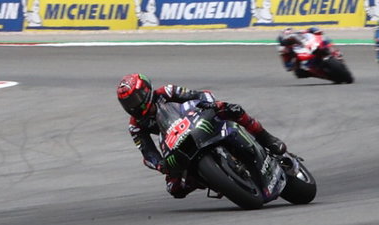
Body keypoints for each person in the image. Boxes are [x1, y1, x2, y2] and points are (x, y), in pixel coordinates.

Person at [116, 73, 287, 199]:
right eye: (127, 103)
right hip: (172, 139)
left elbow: (197, 95)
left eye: (135, 98)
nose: (133, 105)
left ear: (146, 91)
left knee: (231, 109)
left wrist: (209, 104)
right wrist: (161, 166)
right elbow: (148, 153)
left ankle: (266, 138)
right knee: (175, 188)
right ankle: (208, 179)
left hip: (193, 118)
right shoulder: (135, 125)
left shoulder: (166, 92)